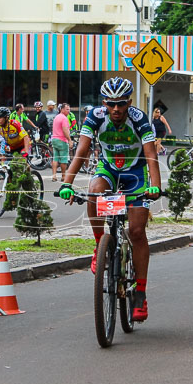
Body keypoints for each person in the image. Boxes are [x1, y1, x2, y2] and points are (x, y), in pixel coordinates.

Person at [58, 77, 161, 322]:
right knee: (94, 190)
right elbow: (81, 151)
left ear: (129, 102)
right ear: (104, 102)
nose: (116, 109)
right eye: (111, 104)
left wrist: (155, 186)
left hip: (135, 174)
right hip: (109, 170)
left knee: (136, 232)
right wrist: (66, 183)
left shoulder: (139, 119)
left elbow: (151, 156)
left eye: (121, 103)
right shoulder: (95, 116)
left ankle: (141, 294)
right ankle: (99, 246)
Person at [50, 102, 72, 182]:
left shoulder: (56, 117)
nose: (68, 111)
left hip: (54, 139)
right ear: (62, 109)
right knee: (63, 159)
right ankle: (63, 176)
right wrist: (69, 140)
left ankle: (54, 176)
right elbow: (65, 130)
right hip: (62, 140)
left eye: (69, 109)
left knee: (55, 158)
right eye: (67, 109)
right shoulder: (64, 118)